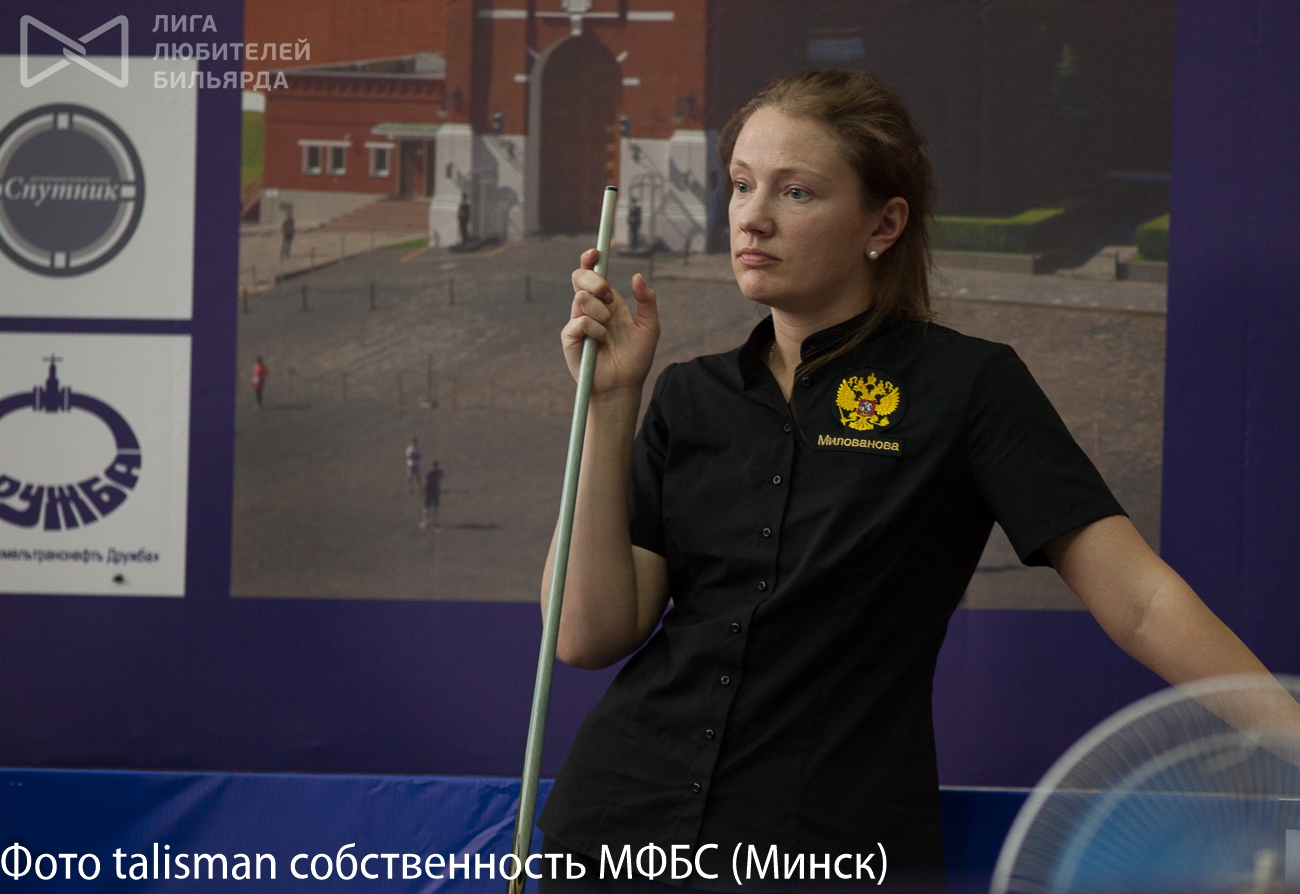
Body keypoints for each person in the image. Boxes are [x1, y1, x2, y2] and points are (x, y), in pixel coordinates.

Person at [535, 70, 1293, 892]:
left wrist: (1292, 739)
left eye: (796, 191)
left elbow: (1141, 601)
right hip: (617, 833)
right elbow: (583, 635)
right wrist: (609, 409)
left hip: (823, 850)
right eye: (742, 184)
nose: (752, 216)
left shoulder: (969, 386)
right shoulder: (691, 394)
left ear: (884, 223)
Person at [420, 460, 443, 529]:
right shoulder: (439, 472)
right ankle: (436, 521)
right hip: (436, 491)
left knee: (426, 507)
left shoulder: (430, 474)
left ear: (432, 466)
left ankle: (426, 522)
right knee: (435, 507)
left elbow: (426, 484)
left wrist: (423, 491)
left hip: (429, 492)